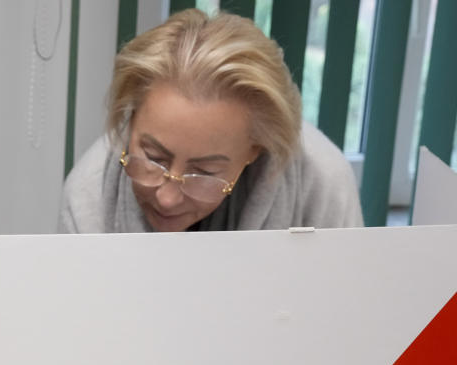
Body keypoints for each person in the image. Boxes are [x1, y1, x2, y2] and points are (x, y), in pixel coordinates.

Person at [58, 9, 363, 233]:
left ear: (255, 150)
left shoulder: (322, 184)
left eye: (203, 173)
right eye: (153, 158)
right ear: (131, 118)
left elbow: (349, 308)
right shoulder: (90, 195)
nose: (167, 198)